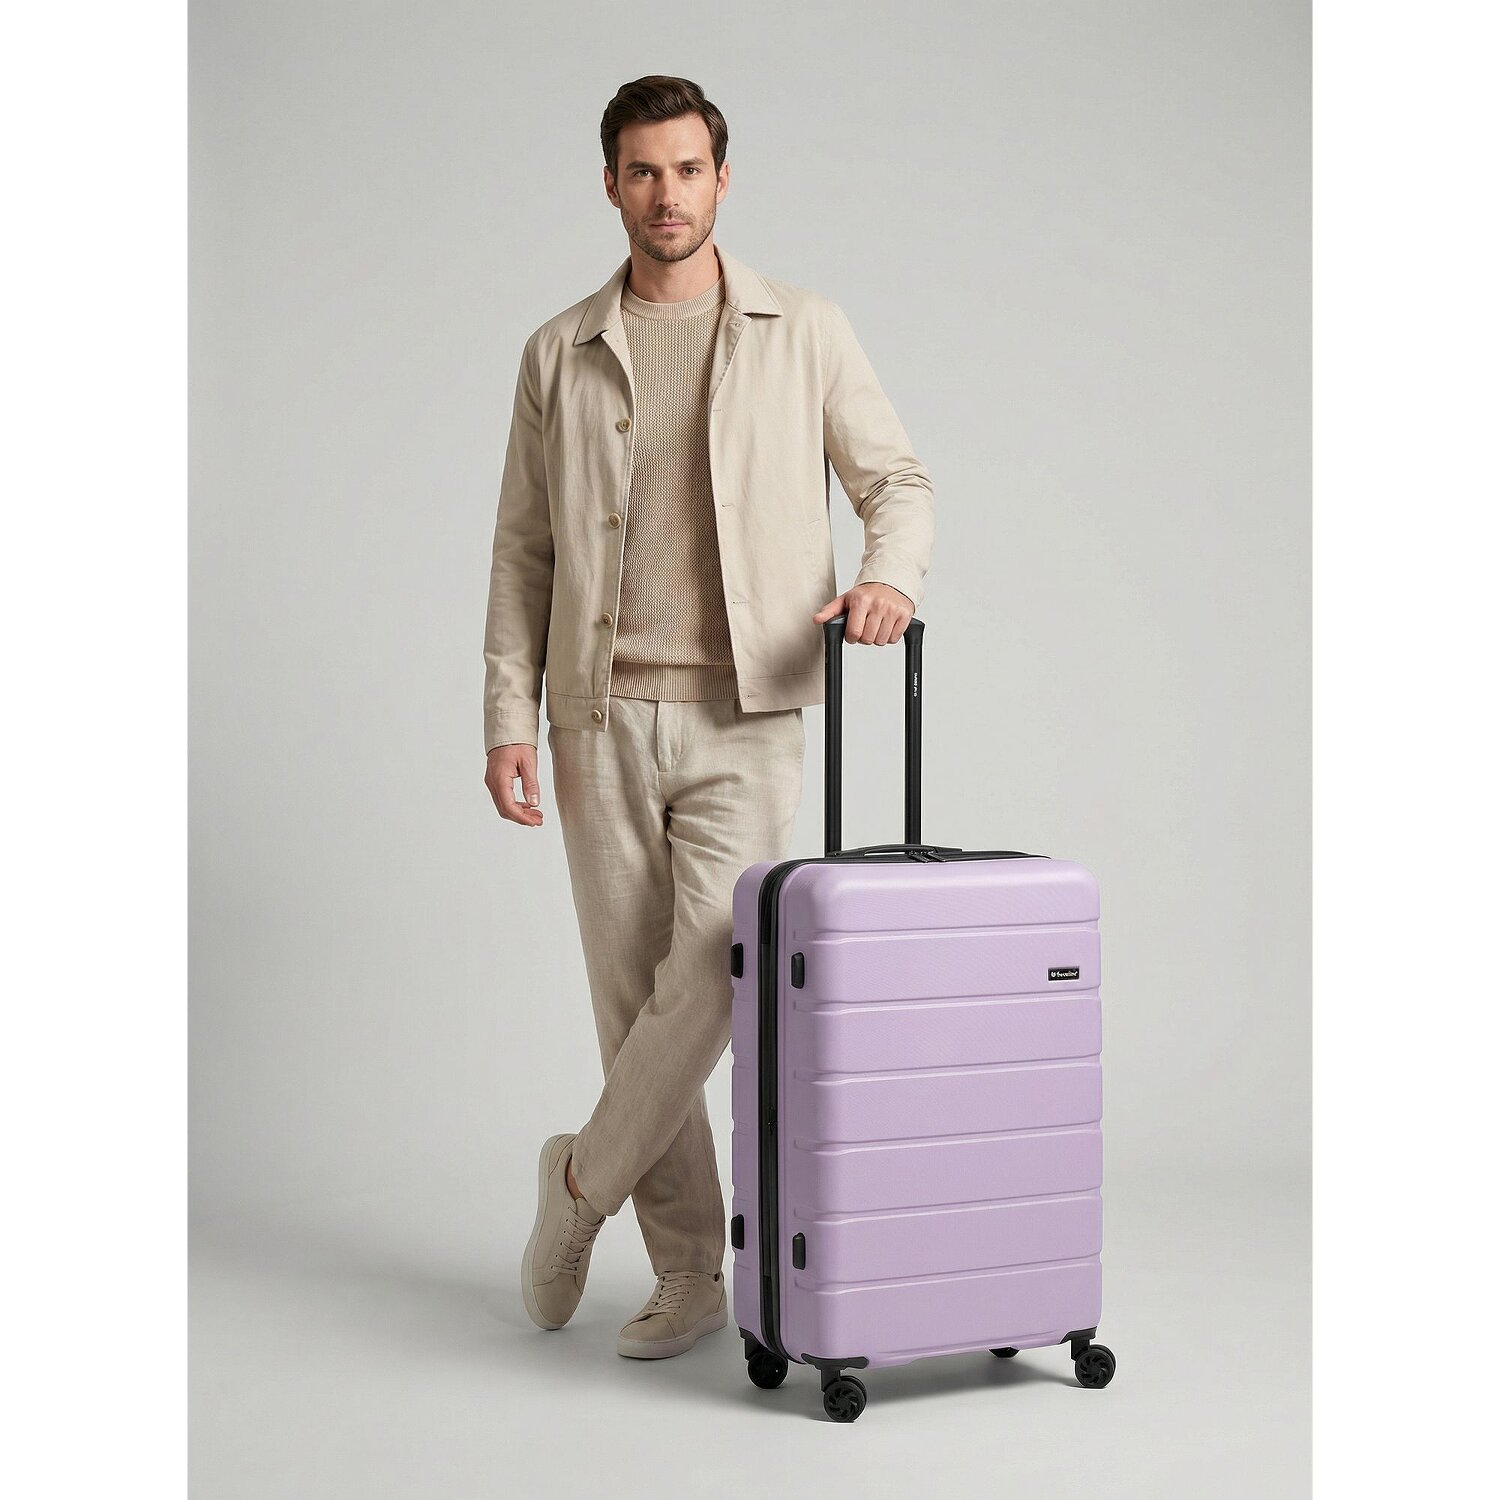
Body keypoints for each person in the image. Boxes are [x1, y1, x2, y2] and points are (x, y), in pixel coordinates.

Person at [483, 75, 934, 1360]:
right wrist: (508, 715)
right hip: (597, 718)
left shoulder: (805, 330)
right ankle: (688, 1272)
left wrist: (891, 576)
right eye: (643, 171)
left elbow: (895, 479)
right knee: (633, 1002)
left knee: (717, 973)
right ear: (611, 185)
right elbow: (523, 551)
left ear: (722, 180)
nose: (666, 194)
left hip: (747, 710)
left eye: (687, 170)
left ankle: (579, 1185)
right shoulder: (558, 351)